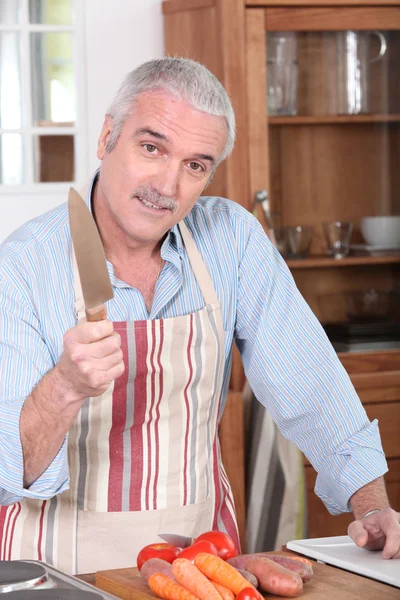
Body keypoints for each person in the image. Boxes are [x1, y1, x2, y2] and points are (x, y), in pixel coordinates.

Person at [0, 58, 399, 575]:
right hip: (55, 572)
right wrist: (64, 386)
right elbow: (11, 469)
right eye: (152, 147)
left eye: (195, 165)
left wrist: (371, 505)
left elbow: (311, 382)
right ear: (106, 138)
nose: (167, 185)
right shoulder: (23, 267)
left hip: (202, 562)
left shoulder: (231, 239)